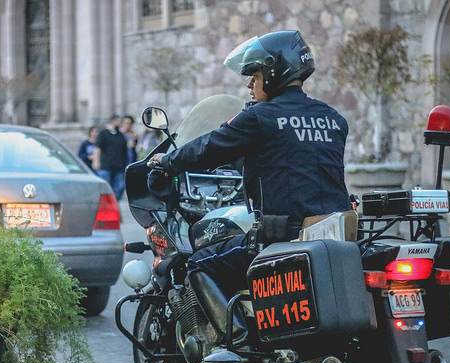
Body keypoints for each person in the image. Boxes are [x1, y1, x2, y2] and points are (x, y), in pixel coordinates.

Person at [149, 30, 352, 346]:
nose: (249, 85)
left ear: (273, 74)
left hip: (282, 238)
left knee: (198, 264)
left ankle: (237, 341)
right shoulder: (333, 118)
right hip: (335, 237)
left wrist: (168, 161)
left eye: (254, 76)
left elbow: (209, 147)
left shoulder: (259, 118)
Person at [93, 114, 127, 200]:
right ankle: (106, 203)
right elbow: (97, 148)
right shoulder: (103, 134)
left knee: (119, 187)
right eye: (119, 121)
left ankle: (114, 202)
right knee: (105, 188)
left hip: (119, 166)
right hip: (106, 166)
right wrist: (96, 161)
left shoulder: (120, 135)